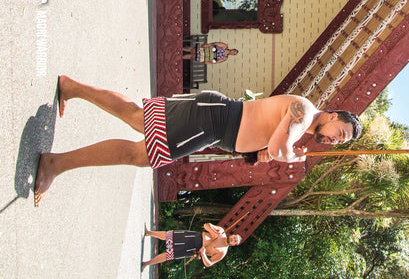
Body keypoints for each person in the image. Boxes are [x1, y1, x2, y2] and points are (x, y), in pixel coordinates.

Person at [34, 75, 362, 206]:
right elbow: (279, 148)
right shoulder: (304, 112)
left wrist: (259, 153)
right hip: (212, 119)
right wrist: (288, 157)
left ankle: (71, 89)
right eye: (341, 134)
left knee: (137, 126)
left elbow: (267, 142)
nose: (335, 141)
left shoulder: (301, 125)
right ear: (333, 116)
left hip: (214, 123)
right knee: (140, 149)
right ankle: (55, 163)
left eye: (341, 142)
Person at [141, 223, 241, 271]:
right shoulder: (221, 231)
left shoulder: (222, 252)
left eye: (235, 241)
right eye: (234, 237)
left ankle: (146, 263)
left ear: (233, 245)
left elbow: (209, 264)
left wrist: (203, 254)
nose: (233, 239)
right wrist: (214, 232)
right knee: (169, 236)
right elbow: (206, 225)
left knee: (169, 255)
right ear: (232, 235)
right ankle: (149, 233)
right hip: (194, 236)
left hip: (194, 249)